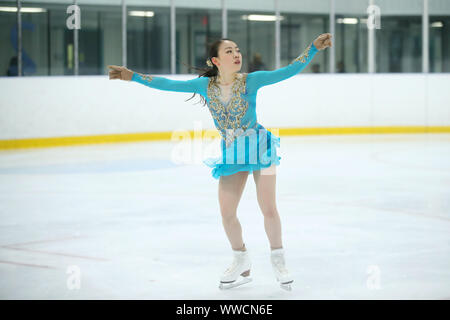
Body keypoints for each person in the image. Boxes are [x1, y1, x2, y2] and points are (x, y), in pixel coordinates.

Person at [108, 33, 332, 291]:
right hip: (232, 152)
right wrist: (132, 76)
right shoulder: (205, 86)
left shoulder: (251, 81)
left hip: (261, 147)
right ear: (215, 60)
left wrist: (313, 48)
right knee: (227, 214)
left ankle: (278, 259)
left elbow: (289, 70)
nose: (236, 54)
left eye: (237, 50)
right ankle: (240, 258)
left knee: (268, 208)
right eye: (229, 51)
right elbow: (166, 84)